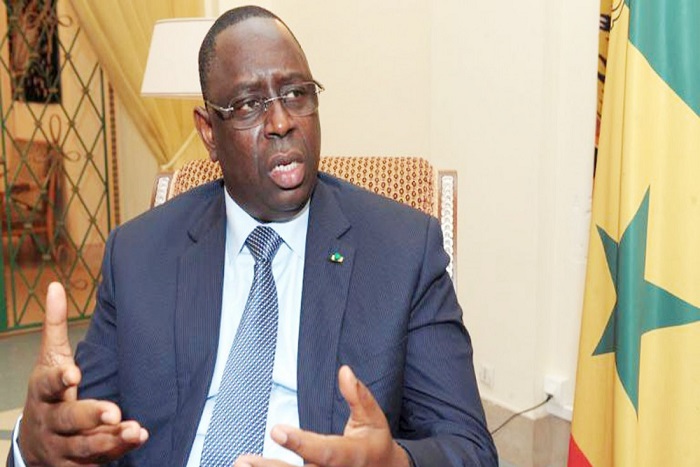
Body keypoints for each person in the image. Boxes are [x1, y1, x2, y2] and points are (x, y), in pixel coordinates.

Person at [9, 6, 497, 467]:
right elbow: (74, 430)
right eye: (248, 104)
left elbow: (470, 448)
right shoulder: (138, 256)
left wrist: (396, 462)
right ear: (208, 132)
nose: (282, 122)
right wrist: (32, 444)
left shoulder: (402, 250)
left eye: (296, 94)